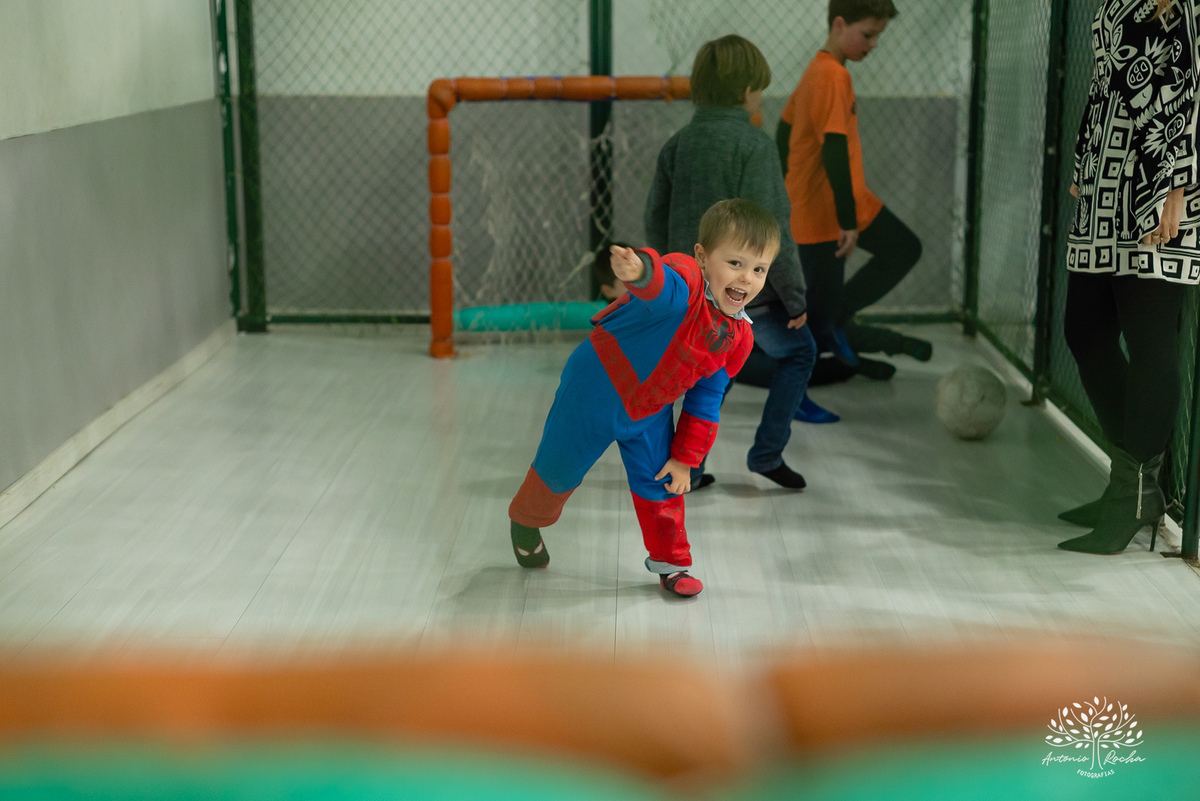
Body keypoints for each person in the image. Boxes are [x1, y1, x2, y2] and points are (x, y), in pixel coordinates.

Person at [508, 199, 778, 597]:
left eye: (759, 269)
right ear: (702, 257)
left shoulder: (738, 338)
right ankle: (526, 520)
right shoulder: (684, 280)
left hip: (650, 407)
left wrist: (687, 459)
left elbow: (706, 401)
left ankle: (672, 565)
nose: (747, 279)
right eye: (735, 264)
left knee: (663, 482)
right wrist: (639, 272)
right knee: (559, 468)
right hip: (595, 387)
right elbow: (660, 288)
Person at [644, 34, 816, 492]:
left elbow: (654, 218)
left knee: (716, 365)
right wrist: (794, 296)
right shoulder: (754, 145)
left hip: (688, 294)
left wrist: (671, 283)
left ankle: (691, 468)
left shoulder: (678, 144)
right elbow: (773, 227)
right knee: (800, 352)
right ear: (747, 93)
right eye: (759, 89)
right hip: (739, 294)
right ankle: (766, 454)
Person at [1058, 0, 1199, 554]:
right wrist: (1083, 159)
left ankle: (1133, 491)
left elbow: (1192, 86)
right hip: (1107, 169)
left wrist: (1178, 185)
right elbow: (1105, 77)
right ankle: (1136, 482)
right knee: (1084, 328)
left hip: (1161, 179)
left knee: (1149, 339)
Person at [777, 0, 927, 371]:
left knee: (902, 249)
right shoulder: (832, 76)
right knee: (819, 322)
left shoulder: (817, 70)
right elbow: (833, 149)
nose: (874, 44)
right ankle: (846, 343)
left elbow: (783, 131)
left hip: (841, 204)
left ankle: (840, 324)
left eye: (878, 36)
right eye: (868, 34)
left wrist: (788, 190)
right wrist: (846, 221)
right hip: (826, 214)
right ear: (839, 25)